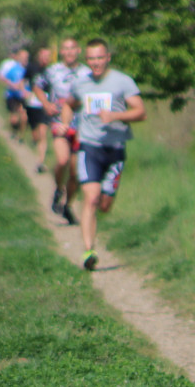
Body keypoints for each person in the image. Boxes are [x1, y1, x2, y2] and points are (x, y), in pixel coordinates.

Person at [62, 38, 146, 271]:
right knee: (90, 199)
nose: (96, 63)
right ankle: (89, 250)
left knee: (104, 204)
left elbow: (141, 112)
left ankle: (96, 220)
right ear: (86, 60)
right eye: (91, 58)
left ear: (108, 57)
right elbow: (69, 104)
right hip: (89, 147)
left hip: (116, 150)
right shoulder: (81, 83)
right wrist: (65, 124)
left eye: (100, 58)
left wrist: (115, 116)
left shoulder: (122, 82)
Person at [31, 37, 91, 225]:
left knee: (76, 173)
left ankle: (68, 205)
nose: (70, 52)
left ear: (78, 51)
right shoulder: (52, 70)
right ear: (61, 52)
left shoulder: (86, 72)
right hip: (59, 123)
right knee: (62, 159)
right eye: (66, 48)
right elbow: (37, 86)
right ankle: (58, 189)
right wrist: (46, 104)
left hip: (82, 126)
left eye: (73, 48)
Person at [23, 47, 52, 174]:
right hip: (32, 104)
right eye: (43, 56)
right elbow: (23, 81)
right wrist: (24, 92)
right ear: (38, 57)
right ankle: (35, 144)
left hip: (46, 106)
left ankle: (40, 161)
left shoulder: (52, 71)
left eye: (47, 56)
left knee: (43, 133)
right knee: (35, 133)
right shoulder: (31, 68)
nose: (45, 59)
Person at [0, 47, 28, 141]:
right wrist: (11, 84)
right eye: (22, 57)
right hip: (12, 96)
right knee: (14, 119)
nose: (25, 59)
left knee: (24, 117)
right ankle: (13, 131)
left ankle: (21, 136)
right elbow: (2, 78)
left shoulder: (29, 69)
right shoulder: (13, 68)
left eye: (26, 57)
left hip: (23, 96)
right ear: (18, 57)